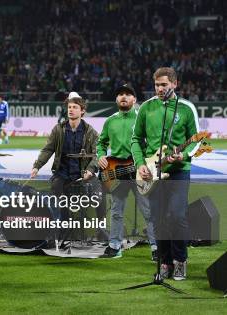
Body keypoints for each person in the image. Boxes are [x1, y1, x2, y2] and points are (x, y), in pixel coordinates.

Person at [131, 67, 200, 281]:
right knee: (159, 219)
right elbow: (136, 140)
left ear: (174, 84)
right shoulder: (146, 108)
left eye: (164, 85)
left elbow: (197, 142)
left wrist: (184, 156)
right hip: (153, 173)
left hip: (178, 172)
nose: (160, 89)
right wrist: (140, 164)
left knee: (176, 216)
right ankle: (164, 262)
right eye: (157, 85)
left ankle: (180, 262)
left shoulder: (187, 108)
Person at [30, 93, 107, 239]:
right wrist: (37, 166)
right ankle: (63, 228)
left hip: (84, 174)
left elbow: (97, 154)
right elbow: (48, 149)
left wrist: (91, 170)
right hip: (62, 174)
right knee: (58, 197)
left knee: (100, 196)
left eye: (75, 107)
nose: (71, 110)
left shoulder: (91, 132)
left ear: (82, 111)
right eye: (69, 107)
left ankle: (100, 229)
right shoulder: (58, 129)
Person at [97, 84, 157, 259]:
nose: (123, 97)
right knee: (116, 211)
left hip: (140, 170)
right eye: (120, 94)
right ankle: (115, 246)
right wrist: (101, 155)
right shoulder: (110, 121)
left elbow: (152, 145)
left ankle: (156, 247)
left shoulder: (143, 119)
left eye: (128, 94)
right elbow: (101, 143)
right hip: (117, 172)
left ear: (134, 99)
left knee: (148, 210)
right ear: (116, 99)